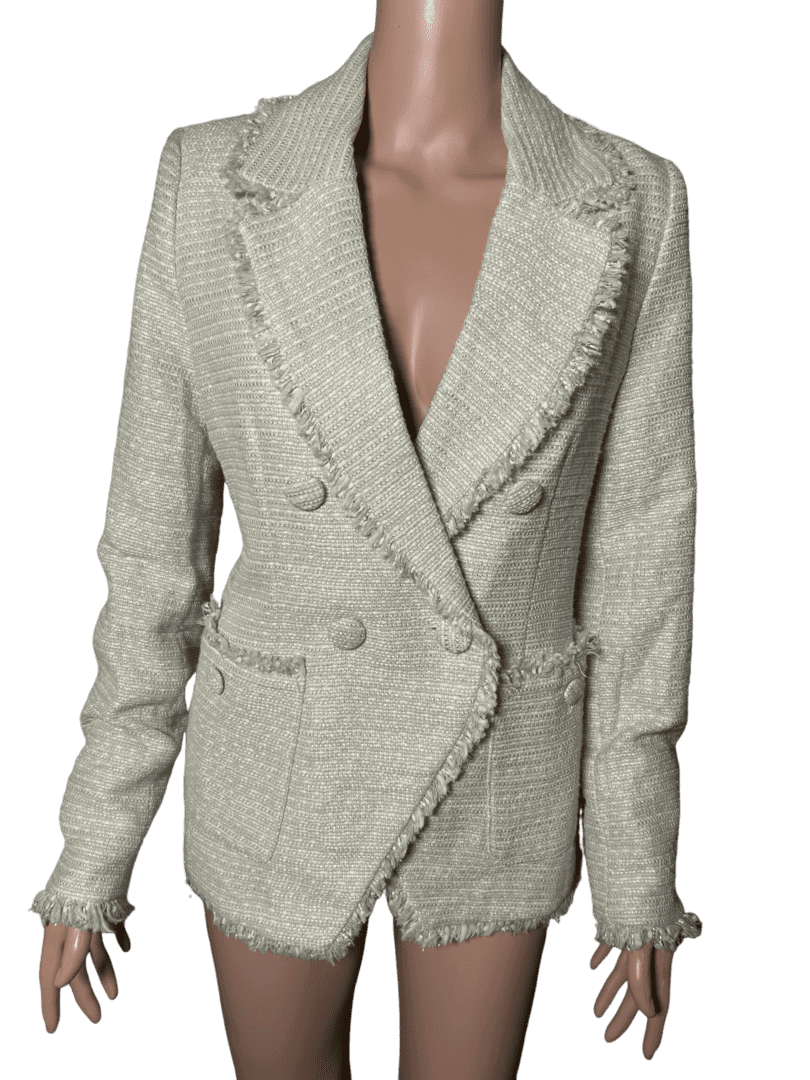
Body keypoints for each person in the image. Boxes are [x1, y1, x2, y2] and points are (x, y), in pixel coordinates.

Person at [31, 1, 703, 1076]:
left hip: (501, 766)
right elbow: (152, 548)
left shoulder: (632, 199)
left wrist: (636, 867)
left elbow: (642, 559)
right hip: (283, 760)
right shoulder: (210, 178)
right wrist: (95, 846)